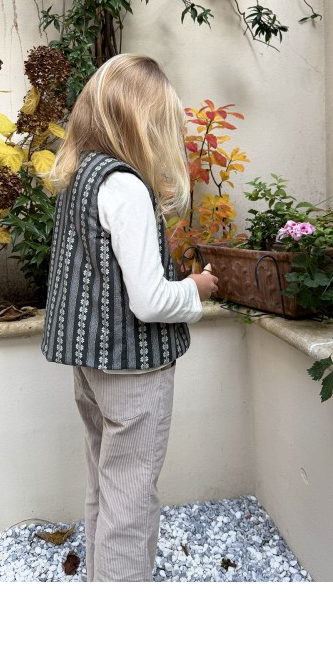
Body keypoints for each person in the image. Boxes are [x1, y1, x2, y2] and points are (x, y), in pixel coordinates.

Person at [40, 53, 218, 582]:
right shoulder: (126, 188)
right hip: (133, 376)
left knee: (104, 488)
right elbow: (149, 300)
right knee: (132, 501)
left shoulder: (80, 177)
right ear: (142, 125)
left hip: (90, 369)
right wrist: (196, 290)